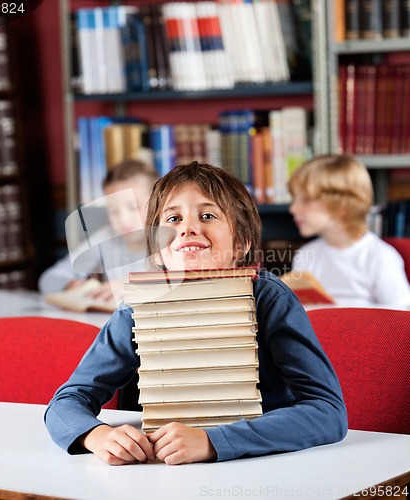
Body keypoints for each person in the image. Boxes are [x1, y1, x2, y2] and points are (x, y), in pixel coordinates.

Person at [45, 161, 347, 465]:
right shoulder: (136, 305)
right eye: (173, 218)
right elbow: (66, 403)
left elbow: (328, 412)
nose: (187, 228)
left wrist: (212, 441)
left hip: (261, 466)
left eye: (207, 215)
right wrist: (96, 436)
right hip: (164, 471)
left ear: (240, 242)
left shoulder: (268, 298)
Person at [288, 154, 410, 308]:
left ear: (341, 206)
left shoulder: (379, 257)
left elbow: (401, 313)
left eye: (305, 200)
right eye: (294, 199)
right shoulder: (305, 255)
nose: (293, 209)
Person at [38, 159, 159, 305]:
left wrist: (135, 285)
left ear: (157, 204)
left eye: (133, 208)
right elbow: (49, 278)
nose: (123, 220)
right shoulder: (106, 238)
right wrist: (71, 285)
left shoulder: (174, 240)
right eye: (113, 211)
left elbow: (185, 282)